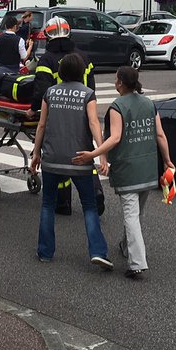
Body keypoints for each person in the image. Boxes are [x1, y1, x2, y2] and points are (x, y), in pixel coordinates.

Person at [74, 66, 173, 280]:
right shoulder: (149, 104)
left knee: (131, 215)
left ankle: (137, 263)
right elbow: (160, 135)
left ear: (120, 83)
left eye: (116, 79)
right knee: (137, 215)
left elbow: (115, 138)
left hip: (128, 169)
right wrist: (167, 161)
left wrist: (93, 154)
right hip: (147, 169)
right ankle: (127, 248)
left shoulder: (117, 107)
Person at [30, 53, 112, 269]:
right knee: (89, 206)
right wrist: (101, 153)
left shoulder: (50, 93)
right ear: (81, 72)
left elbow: (41, 125)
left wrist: (36, 153)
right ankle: (98, 251)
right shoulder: (88, 94)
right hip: (80, 158)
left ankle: (45, 252)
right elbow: (94, 123)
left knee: (47, 204)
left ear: (61, 72)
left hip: (52, 158)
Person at [28, 16, 96, 216]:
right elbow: (91, 86)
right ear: (68, 33)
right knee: (85, 152)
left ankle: (63, 203)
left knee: (62, 154)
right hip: (84, 110)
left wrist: (33, 109)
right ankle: (96, 191)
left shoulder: (47, 59)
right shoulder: (83, 56)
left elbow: (42, 89)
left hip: (59, 115)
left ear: (48, 36)